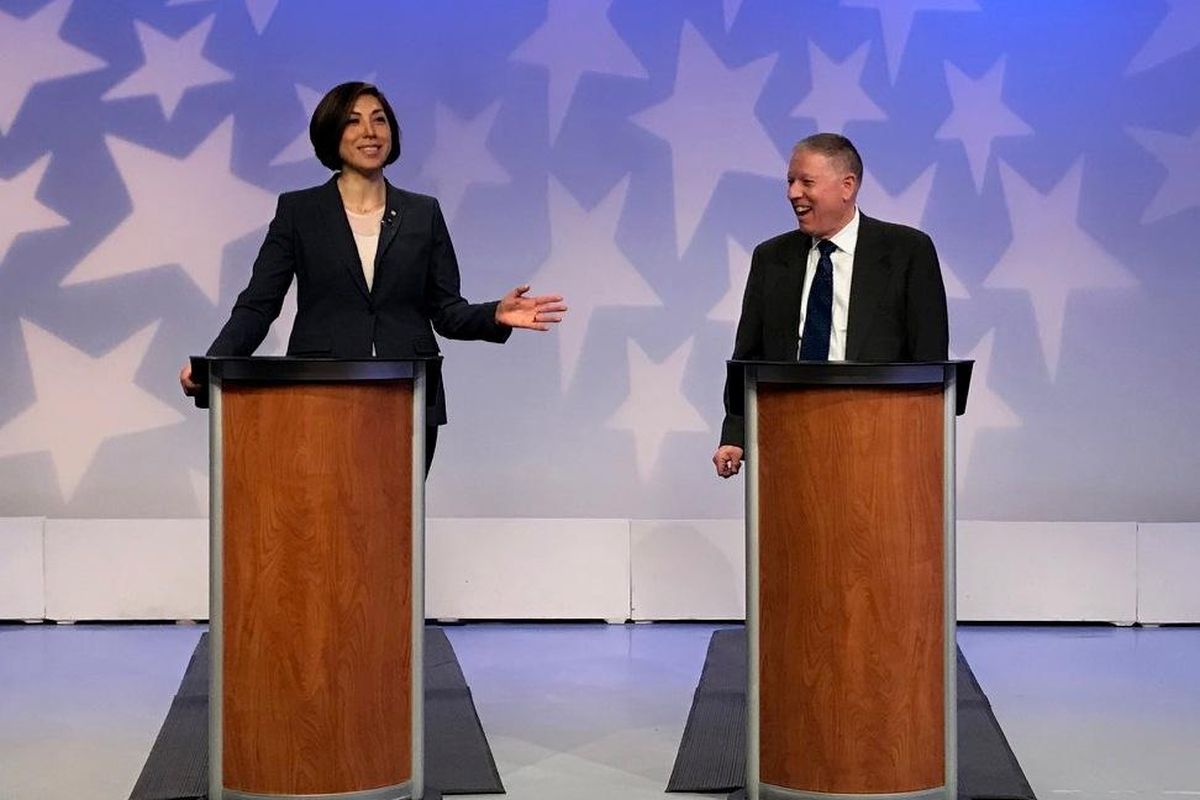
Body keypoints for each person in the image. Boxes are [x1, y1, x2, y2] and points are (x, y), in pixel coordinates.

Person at [180, 81, 566, 470]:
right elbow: (258, 305)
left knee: (397, 522)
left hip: (408, 393)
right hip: (321, 391)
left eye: (379, 120)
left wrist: (494, 313)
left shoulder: (423, 213)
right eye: (354, 122)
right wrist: (211, 364)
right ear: (332, 135)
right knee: (327, 519)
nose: (370, 132)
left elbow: (446, 310)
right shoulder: (299, 212)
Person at [713, 133, 948, 479]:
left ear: (847, 186)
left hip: (880, 446)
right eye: (790, 181)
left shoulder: (907, 252)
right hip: (788, 444)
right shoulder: (771, 258)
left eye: (806, 182)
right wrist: (735, 436)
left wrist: (919, 442)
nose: (793, 193)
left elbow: (929, 358)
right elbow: (748, 355)